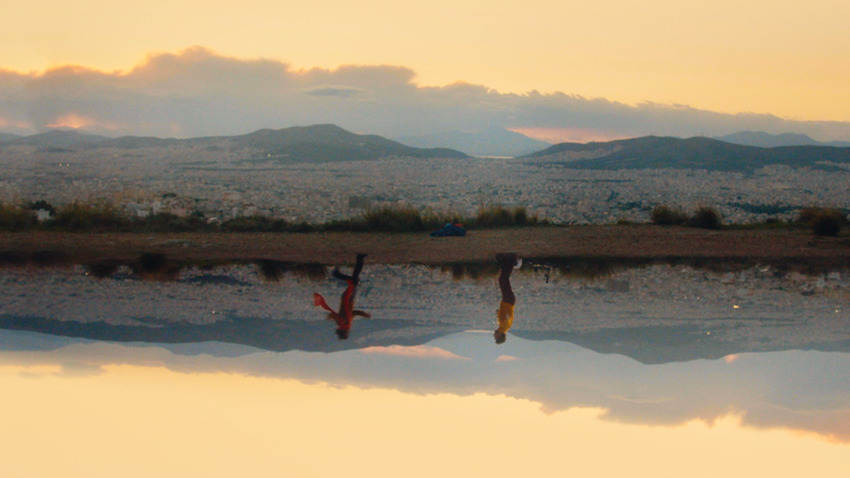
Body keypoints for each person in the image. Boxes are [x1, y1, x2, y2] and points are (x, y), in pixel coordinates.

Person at [313, 253, 370, 339]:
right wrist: (363, 314)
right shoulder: (345, 324)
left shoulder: (343, 323)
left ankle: (339, 272)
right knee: (355, 279)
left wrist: (363, 314)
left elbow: (344, 314)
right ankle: (358, 260)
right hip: (349, 299)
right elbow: (352, 313)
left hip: (348, 298)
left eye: (347, 334)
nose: (348, 332)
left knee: (354, 280)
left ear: (344, 332)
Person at [494, 253, 521, 344]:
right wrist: (504, 314)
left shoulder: (501, 327)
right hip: (508, 301)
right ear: (500, 336)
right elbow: (508, 317)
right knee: (503, 280)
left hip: (507, 301)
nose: (494, 336)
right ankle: (511, 261)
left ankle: (505, 263)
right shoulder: (504, 327)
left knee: (503, 280)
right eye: (496, 337)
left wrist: (499, 312)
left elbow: (504, 315)